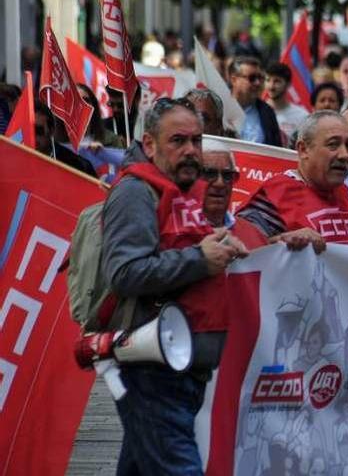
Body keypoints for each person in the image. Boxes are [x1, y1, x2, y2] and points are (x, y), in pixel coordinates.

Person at [101, 97, 247, 474]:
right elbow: (126, 272)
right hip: (153, 371)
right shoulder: (135, 192)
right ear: (149, 145)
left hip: (181, 371)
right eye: (178, 141)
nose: (190, 151)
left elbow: (177, 246)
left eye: (196, 141)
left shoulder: (180, 189)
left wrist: (216, 244)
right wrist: (200, 260)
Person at [238, 111, 348, 251]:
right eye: (333, 144)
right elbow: (240, 253)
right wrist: (281, 241)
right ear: (303, 149)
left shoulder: (343, 192)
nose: (344, 155)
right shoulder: (276, 195)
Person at [201, 141, 267, 249]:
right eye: (209, 174)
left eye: (227, 175)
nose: (220, 183)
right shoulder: (170, 233)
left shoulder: (252, 234)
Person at [228, 56, 282, 146]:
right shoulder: (219, 109)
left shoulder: (267, 113)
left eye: (260, 78)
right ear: (234, 80)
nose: (257, 83)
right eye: (252, 78)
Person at [34, 102, 97, 176]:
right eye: (26, 131)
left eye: (38, 130)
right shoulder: (17, 163)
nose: (33, 136)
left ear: (51, 130)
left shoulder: (77, 166)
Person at [265, 62, 309, 148]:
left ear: (288, 84)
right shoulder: (258, 111)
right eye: (268, 80)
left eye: (277, 81)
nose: (271, 86)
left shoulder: (302, 116)